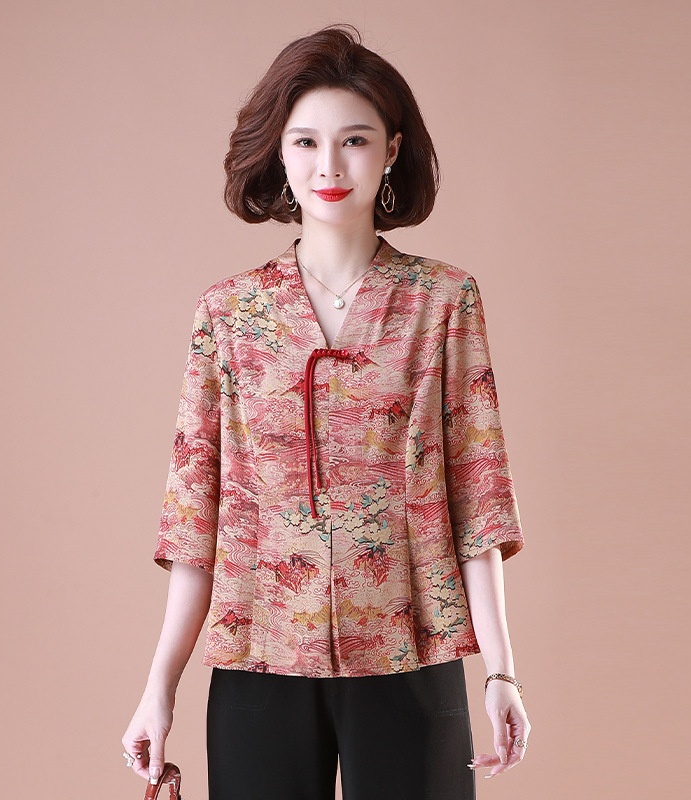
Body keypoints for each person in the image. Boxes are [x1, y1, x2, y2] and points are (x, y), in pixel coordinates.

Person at [122, 23, 531, 800]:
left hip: (411, 654)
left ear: (392, 151)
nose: (330, 166)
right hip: (259, 660)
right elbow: (195, 518)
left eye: (355, 141)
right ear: (280, 154)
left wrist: (501, 672)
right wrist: (158, 688)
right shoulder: (229, 314)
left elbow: (477, 498)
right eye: (306, 142)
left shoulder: (443, 302)